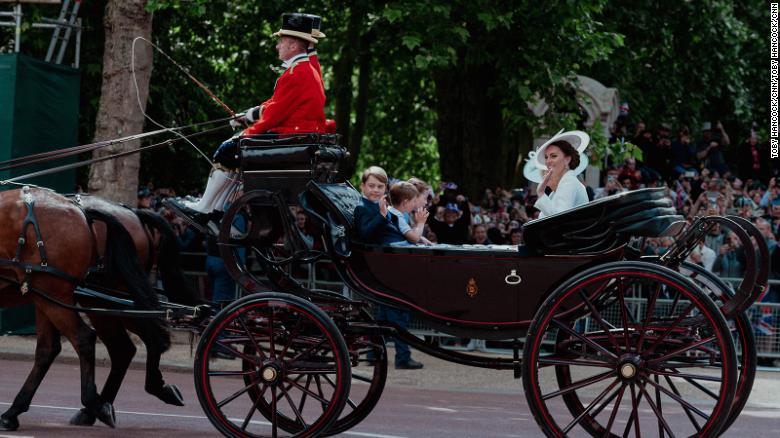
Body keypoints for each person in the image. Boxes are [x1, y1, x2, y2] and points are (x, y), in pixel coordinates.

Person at [166, 12, 327, 234]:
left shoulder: (295, 74)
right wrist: (248, 114)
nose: (277, 46)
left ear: (293, 45)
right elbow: (279, 104)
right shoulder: (307, 69)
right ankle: (215, 210)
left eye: (281, 41)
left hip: (290, 135)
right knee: (235, 152)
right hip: (298, 134)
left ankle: (205, 207)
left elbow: (274, 115)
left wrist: (246, 133)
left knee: (228, 149)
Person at [533, 130, 590, 218]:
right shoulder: (555, 192)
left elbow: (559, 218)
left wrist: (541, 193)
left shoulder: (569, 182)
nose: (547, 161)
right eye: (546, 157)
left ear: (567, 160)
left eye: (553, 156)